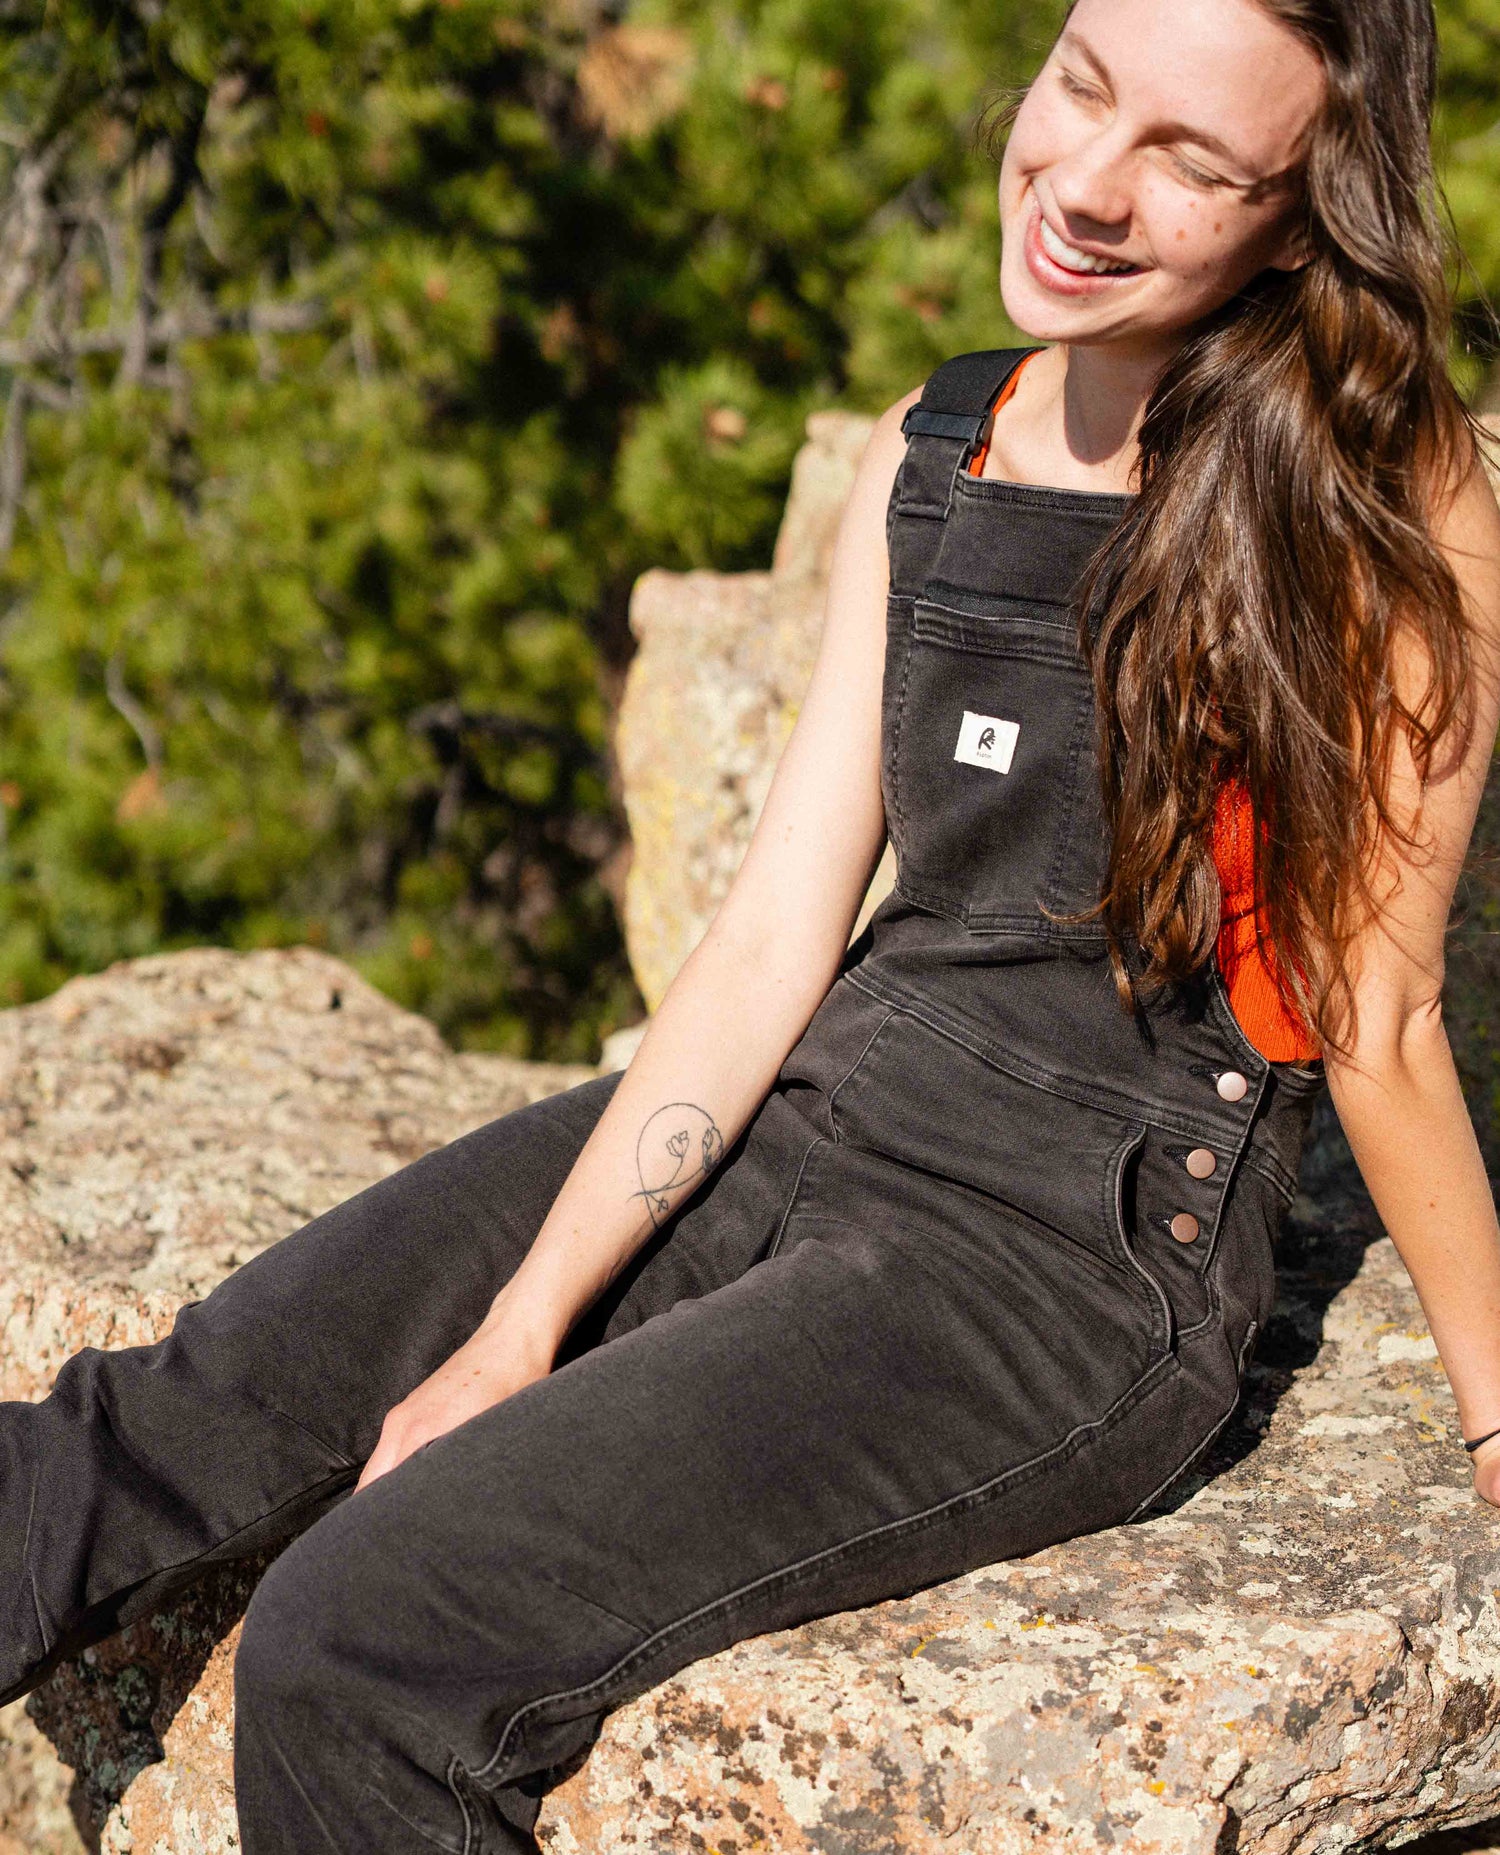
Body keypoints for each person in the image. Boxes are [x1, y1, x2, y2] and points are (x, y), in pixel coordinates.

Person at [5, 0, 1499, 1847]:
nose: (1089, 188)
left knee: (363, 1642)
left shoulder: (1376, 496)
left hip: (1059, 1255)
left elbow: (1385, 1013)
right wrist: (515, 1322)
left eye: (1193, 164)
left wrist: (1498, 1421)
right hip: (818, 1101)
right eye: (1083, 93)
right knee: (151, 1424)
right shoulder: (939, 446)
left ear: (1301, 218)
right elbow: (779, 934)